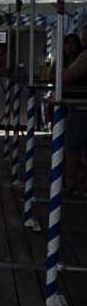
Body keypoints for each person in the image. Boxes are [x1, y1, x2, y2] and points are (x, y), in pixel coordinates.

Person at [62, 33, 87, 195]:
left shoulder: (84, 58)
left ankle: (70, 183)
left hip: (81, 108)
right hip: (76, 106)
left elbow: (66, 76)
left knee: (73, 148)